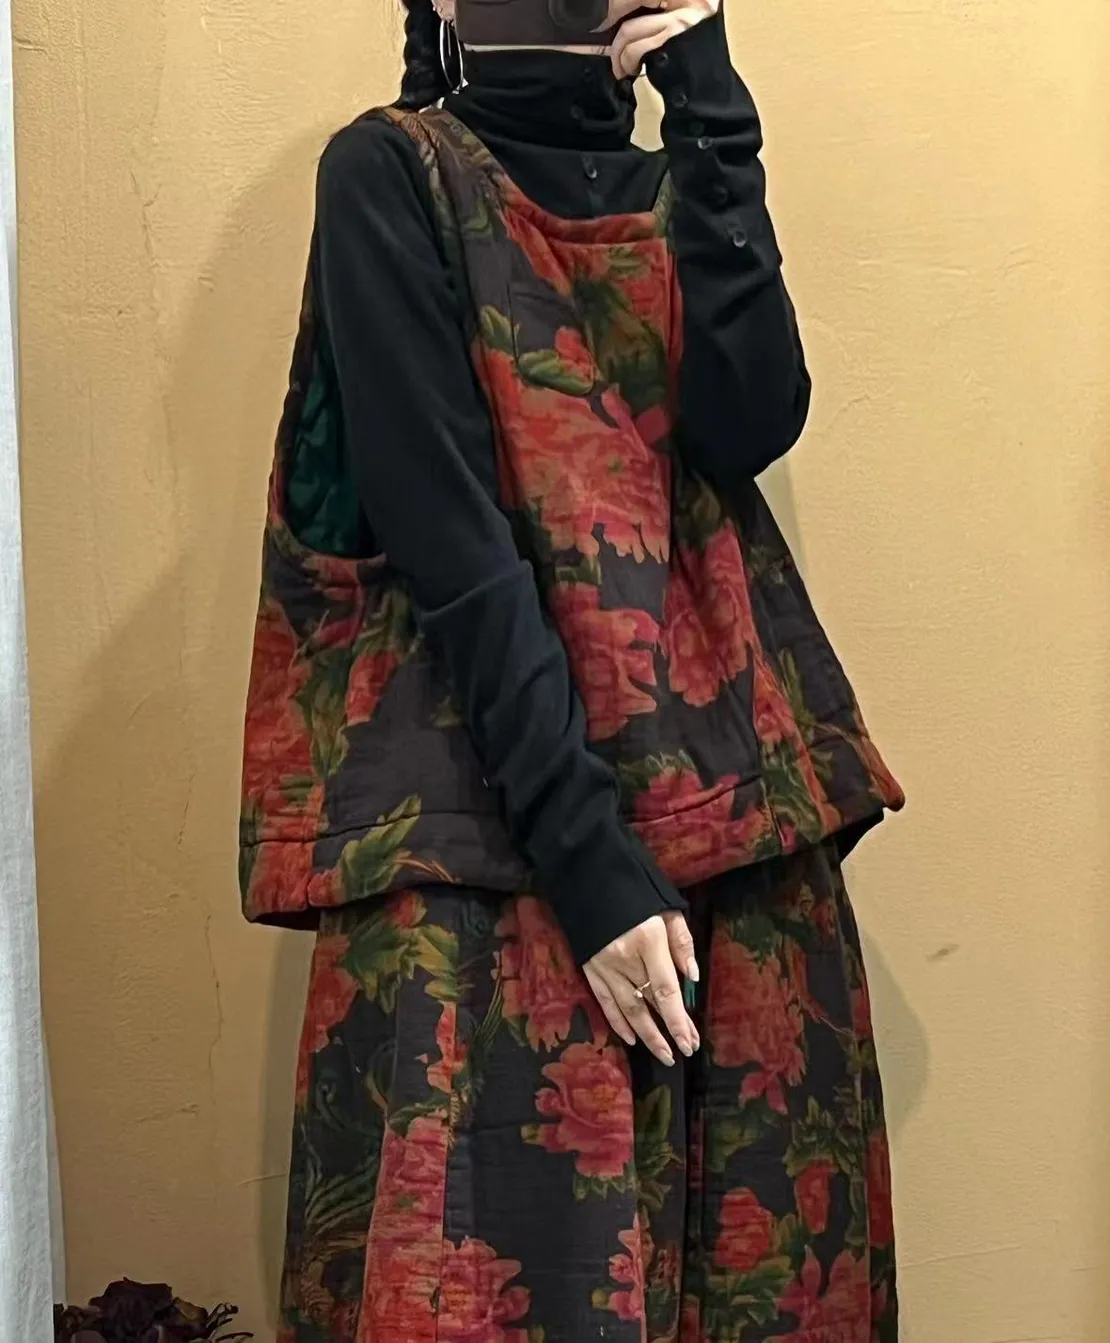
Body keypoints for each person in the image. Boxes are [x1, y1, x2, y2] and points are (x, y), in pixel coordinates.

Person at [237, 0, 905, 1337]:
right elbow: (452, 546)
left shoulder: (679, 185)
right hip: (492, 832)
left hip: (724, 839)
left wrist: (710, 101)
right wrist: (592, 870)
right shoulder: (389, 172)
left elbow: (750, 419)